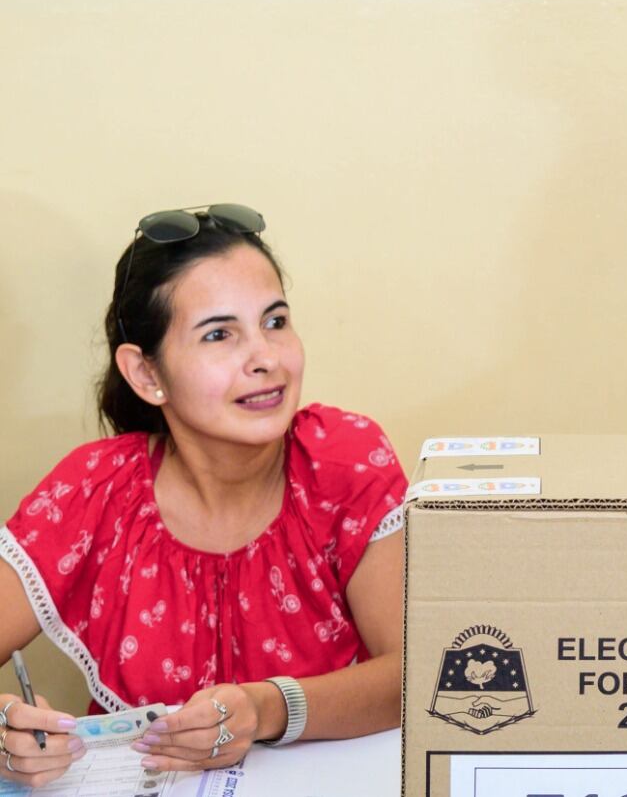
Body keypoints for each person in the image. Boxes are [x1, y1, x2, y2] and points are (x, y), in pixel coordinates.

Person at [0, 206, 405, 787]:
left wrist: (266, 708)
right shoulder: (92, 491)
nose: (266, 358)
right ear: (145, 374)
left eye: (276, 321)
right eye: (219, 334)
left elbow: (414, 678)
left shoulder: (343, 460)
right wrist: (3, 736)